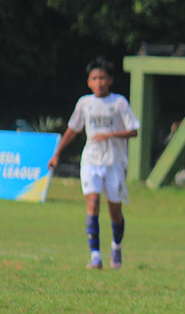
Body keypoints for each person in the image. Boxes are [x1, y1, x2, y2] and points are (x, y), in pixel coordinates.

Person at [48, 57, 140, 270]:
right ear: (89, 82)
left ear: (110, 81)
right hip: (90, 161)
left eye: (102, 78)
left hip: (114, 163)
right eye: (94, 78)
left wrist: (111, 134)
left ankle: (116, 245)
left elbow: (134, 130)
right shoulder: (85, 103)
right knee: (93, 204)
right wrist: (57, 154)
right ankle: (95, 256)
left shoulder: (118, 103)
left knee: (115, 211)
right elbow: (73, 129)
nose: (98, 82)